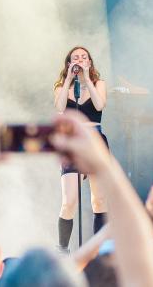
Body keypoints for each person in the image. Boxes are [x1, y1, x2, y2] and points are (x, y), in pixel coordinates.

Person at [53, 46, 108, 253]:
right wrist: (68, 80)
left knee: (99, 199)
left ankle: (99, 250)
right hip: (72, 142)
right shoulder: (61, 87)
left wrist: (87, 80)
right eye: (75, 58)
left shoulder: (99, 84)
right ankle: (63, 250)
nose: (80, 60)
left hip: (95, 140)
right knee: (69, 202)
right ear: (69, 63)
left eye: (84, 57)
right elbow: (59, 108)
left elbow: (99, 104)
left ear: (90, 62)